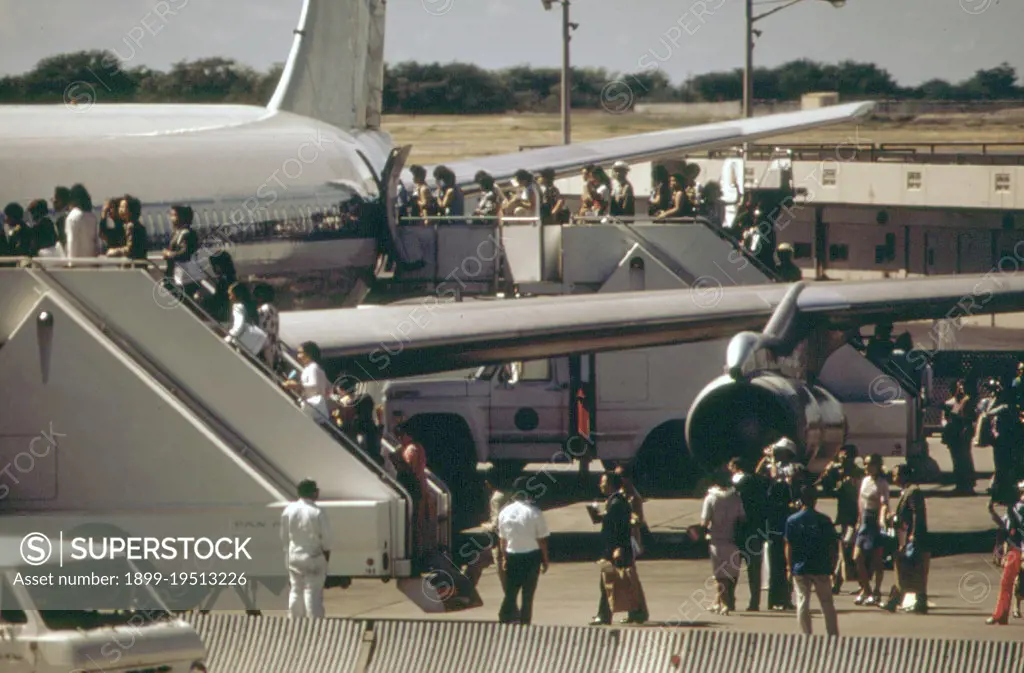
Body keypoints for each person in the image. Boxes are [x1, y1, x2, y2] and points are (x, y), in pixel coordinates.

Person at [590, 470, 648, 625]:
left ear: (610, 485)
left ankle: (605, 615)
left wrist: (619, 548)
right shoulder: (615, 501)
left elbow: (621, 528)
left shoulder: (617, 503)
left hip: (616, 550)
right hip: (616, 548)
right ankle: (636, 612)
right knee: (621, 582)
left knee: (611, 582)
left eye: (603, 482)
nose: (600, 485)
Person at [784, 485, 839, 636]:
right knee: (827, 602)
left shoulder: (792, 520)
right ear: (815, 500)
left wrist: (789, 567)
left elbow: (789, 546)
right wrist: (833, 566)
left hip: (800, 567)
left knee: (802, 601)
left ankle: (806, 634)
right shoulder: (824, 520)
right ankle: (832, 634)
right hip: (821, 566)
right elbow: (832, 545)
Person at [497, 475, 550, 625]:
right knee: (528, 594)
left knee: (511, 591)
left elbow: (502, 539)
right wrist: (545, 560)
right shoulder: (534, 512)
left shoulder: (505, 512)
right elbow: (542, 540)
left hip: (512, 554)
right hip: (532, 557)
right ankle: (525, 622)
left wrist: (504, 558)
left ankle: (504, 616)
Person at [816, 444, 864, 594]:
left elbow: (853, 496)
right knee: (843, 550)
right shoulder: (839, 474)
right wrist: (826, 476)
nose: (842, 461)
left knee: (849, 550)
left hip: (855, 518)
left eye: (846, 458)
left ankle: (842, 582)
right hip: (844, 519)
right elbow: (827, 490)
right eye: (841, 458)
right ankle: (840, 582)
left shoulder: (858, 475)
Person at [280, 478, 330, 619]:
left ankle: (294, 621)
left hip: (294, 555)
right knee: (312, 592)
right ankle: (314, 622)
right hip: (313, 555)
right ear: (314, 493)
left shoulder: (288, 510)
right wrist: (326, 557)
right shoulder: (318, 512)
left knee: (295, 589)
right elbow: (327, 538)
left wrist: (288, 552)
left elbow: (284, 536)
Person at [883, 464, 929, 614]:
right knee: (906, 568)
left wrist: (914, 535)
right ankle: (896, 601)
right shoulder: (906, 491)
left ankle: (897, 601)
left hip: (911, 537)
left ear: (904, 475)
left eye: (896, 475)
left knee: (909, 568)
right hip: (906, 535)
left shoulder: (913, 491)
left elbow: (917, 514)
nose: (893, 478)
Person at [701, 471, 746, 615]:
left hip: (716, 540)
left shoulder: (711, 498)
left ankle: (725, 604)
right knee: (730, 573)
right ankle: (718, 602)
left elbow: (705, 521)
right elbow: (742, 518)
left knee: (719, 575)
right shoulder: (736, 497)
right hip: (733, 540)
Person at [729, 456, 769, 611]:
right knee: (754, 570)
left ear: (736, 467)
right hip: (755, 531)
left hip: (739, 530)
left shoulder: (737, 485)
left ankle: (729, 600)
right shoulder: (758, 482)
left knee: (732, 569)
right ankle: (754, 602)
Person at [854, 454, 890, 606]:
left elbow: (884, 503)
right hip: (864, 521)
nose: (867, 467)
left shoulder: (882, 483)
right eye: (865, 464)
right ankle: (866, 589)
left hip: (874, 521)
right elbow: (860, 501)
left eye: (870, 464)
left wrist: (882, 519)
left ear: (877, 465)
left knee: (876, 560)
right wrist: (858, 518)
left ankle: (876, 591)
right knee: (857, 557)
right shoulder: (865, 481)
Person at [986, 484, 1024, 625]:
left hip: (1017, 549)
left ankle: (1000, 615)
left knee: (1008, 583)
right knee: (1006, 583)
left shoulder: (1016, 508)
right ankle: (1001, 614)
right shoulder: (1014, 508)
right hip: (1015, 549)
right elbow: (1005, 525)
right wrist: (992, 512)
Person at [942, 379, 976, 495]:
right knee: (957, 460)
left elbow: (968, 418)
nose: (960, 389)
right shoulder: (954, 402)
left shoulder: (966, 401)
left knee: (963, 459)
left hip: (961, 434)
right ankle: (961, 484)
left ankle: (966, 485)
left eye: (962, 387)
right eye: (959, 387)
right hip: (954, 434)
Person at [283, 341, 331, 424]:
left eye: (300, 353)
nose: (298, 356)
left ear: (309, 354)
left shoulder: (313, 368)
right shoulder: (312, 368)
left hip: (314, 408)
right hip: (314, 407)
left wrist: (297, 386)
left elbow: (314, 386)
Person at [105, 195, 148, 262]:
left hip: (133, 265)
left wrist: (114, 251)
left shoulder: (131, 226)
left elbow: (130, 249)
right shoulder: (139, 226)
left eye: (123, 207)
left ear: (130, 210)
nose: (120, 209)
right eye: (120, 207)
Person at [162, 205, 199, 281]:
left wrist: (169, 254)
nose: (171, 218)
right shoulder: (177, 233)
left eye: (174, 215)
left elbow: (185, 254)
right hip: (176, 274)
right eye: (171, 215)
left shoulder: (186, 234)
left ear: (183, 217)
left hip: (183, 276)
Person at [64, 183, 99, 261]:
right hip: (91, 262)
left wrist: (70, 262)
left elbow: (71, 241)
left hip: (78, 263)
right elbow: (96, 242)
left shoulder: (72, 217)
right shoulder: (92, 217)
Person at [253, 283, 280, 370]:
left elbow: (261, 328)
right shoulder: (273, 309)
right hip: (273, 346)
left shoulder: (264, 309)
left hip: (265, 347)